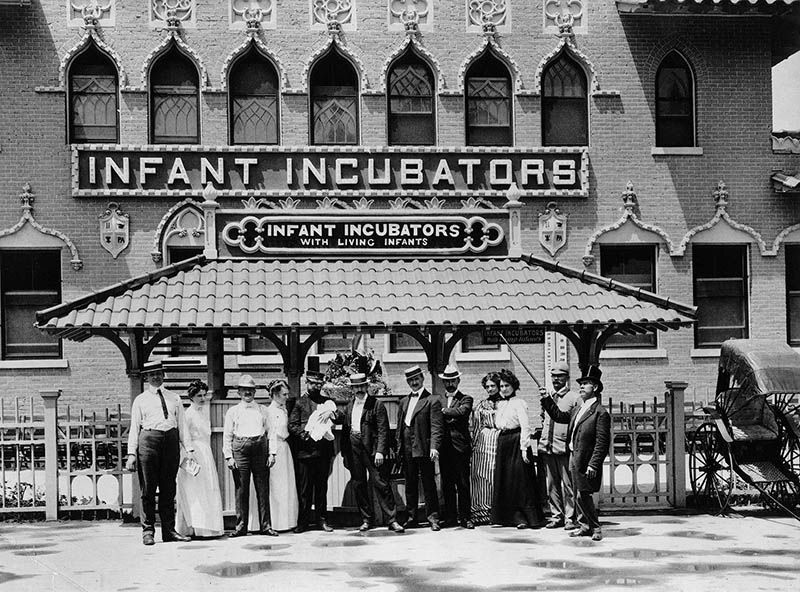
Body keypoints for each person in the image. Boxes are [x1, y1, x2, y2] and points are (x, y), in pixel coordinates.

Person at [540, 364, 610, 542]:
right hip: (573, 456)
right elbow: (559, 416)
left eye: (585, 384)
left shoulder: (600, 412)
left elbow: (602, 442)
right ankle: (585, 526)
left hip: (586, 459)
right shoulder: (579, 409)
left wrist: (594, 463)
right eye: (581, 383)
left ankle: (595, 527)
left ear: (594, 388)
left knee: (583, 494)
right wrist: (546, 399)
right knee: (579, 493)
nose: (581, 387)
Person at [124, 360, 192, 545]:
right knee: (148, 488)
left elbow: (183, 426)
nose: (156, 377)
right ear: (146, 377)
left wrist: (189, 449)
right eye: (152, 374)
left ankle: (169, 531)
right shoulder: (141, 400)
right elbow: (134, 428)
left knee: (169, 488)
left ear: (164, 375)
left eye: (159, 373)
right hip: (148, 442)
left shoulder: (174, 398)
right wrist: (131, 453)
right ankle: (148, 531)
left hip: (170, 441)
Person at [340, 373, 405, 533]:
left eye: (362, 386)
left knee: (381, 483)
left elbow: (383, 430)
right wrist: (345, 452)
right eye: (356, 387)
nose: (359, 389)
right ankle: (366, 519)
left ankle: (392, 520)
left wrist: (380, 452)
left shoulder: (376, 405)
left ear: (367, 387)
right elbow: (346, 428)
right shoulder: (349, 405)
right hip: (353, 448)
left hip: (372, 450)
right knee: (359, 484)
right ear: (352, 389)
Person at [223, 374, 277, 537]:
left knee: (262, 488)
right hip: (240, 450)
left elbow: (271, 432)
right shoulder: (232, 411)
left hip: (260, 448)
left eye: (251, 390)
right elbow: (227, 435)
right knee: (241, 489)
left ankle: (266, 526)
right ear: (239, 392)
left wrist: (272, 453)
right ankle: (241, 526)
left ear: (255, 392)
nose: (248, 393)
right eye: (244, 390)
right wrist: (229, 456)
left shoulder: (263, 410)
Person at [288, 368, 341, 533]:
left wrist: (332, 413)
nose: (316, 387)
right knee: (304, 489)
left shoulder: (327, 402)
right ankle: (303, 522)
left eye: (319, 384)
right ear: (307, 383)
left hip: (323, 452)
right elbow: (292, 425)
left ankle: (321, 520)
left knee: (321, 488)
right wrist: (305, 435)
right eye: (313, 383)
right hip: (305, 452)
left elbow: (340, 417)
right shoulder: (298, 403)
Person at [491, 368, 544, 529]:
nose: (504, 389)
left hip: (517, 442)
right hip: (504, 441)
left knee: (520, 480)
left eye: (507, 386)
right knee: (505, 479)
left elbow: (525, 426)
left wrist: (523, 447)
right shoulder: (499, 404)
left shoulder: (519, 403)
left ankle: (527, 518)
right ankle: (510, 517)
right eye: (501, 386)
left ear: (514, 386)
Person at [396, 365, 443, 531]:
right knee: (410, 484)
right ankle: (411, 517)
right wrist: (399, 448)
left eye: (416, 379)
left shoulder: (432, 400)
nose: (414, 382)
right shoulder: (403, 402)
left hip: (424, 448)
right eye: (410, 380)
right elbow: (401, 427)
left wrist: (434, 447)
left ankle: (433, 518)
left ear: (423, 379)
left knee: (429, 484)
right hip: (407, 449)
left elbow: (436, 427)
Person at [175, 380, 224, 538]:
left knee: (207, 488)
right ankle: (194, 528)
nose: (202, 398)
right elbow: (184, 436)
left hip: (205, 452)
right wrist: (189, 455)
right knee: (195, 491)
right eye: (199, 396)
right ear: (191, 397)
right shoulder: (188, 414)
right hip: (193, 453)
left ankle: (208, 528)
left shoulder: (203, 412)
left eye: (204, 395)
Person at [537, 361, 581, 531]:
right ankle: (557, 516)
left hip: (563, 447)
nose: (556, 379)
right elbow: (545, 420)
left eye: (560, 376)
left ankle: (570, 517)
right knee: (552, 484)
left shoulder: (574, 397)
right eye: (553, 376)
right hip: (548, 446)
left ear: (567, 378)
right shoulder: (549, 396)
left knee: (568, 484)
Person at [438, 364, 474, 529]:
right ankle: (451, 517)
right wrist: (450, 413)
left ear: (458, 380)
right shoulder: (438, 399)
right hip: (444, 448)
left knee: (463, 483)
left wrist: (445, 411)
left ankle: (466, 517)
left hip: (460, 447)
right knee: (447, 484)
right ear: (444, 382)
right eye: (447, 381)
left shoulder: (466, 398)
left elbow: (463, 412)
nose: (450, 383)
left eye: (453, 380)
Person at [266, 378, 299, 532]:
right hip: (276, 450)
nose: (287, 397)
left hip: (285, 449)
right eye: (284, 394)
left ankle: (288, 521)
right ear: (275, 394)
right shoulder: (270, 411)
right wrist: (272, 453)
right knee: (277, 486)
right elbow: (271, 434)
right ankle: (277, 522)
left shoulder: (284, 409)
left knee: (286, 484)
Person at [470, 372, 502, 524]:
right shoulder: (482, 405)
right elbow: (476, 426)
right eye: (487, 386)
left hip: (499, 441)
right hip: (483, 443)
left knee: (498, 475)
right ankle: (482, 511)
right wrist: (474, 444)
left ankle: (498, 512)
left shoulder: (506, 403)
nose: (490, 389)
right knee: (482, 476)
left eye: (493, 386)